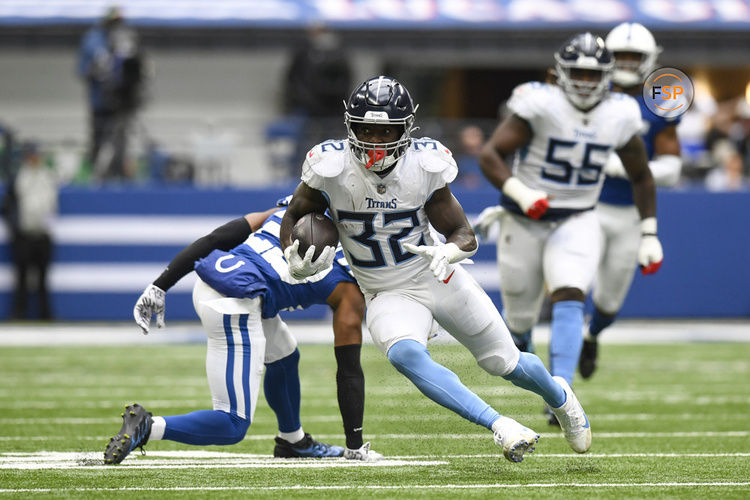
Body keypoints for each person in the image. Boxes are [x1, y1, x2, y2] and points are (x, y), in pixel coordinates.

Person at [279, 75, 592, 464]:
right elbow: (294, 215)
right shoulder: (329, 166)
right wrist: (291, 254)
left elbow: (464, 233)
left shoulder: (424, 165)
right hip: (385, 291)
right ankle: (500, 425)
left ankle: (561, 398)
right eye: (366, 129)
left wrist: (449, 251)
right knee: (404, 355)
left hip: (435, 274)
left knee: (504, 363)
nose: (375, 141)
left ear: (406, 129)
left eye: (385, 131)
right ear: (350, 126)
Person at [103, 200, 382, 464]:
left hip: (218, 282)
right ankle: (149, 427)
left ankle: (292, 441)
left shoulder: (288, 211)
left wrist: (160, 284)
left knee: (284, 356)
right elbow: (349, 371)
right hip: (235, 302)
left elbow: (217, 239)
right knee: (232, 424)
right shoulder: (348, 285)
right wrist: (354, 445)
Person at [477, 34, 662, 423]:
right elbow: (491, 154)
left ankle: (561, 390)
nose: (584, 82)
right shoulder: (539, 103)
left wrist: (649, 232)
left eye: (593, 74)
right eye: (577, 72)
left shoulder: (621, 113)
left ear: (609, 77)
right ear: (559, 73)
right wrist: (520, 191)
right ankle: (530, 355)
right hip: (524, 219)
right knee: (519, 321)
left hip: (578, 217)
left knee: (570, 294)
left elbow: (642, 177)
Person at [576, 24, 683, 379]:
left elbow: (672, 166)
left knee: (608, 303)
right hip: (585, 206)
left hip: (630, 214)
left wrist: (633, 168)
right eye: (620, 55)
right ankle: (562, 372)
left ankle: (592, 336)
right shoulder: (588, 92)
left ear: (650, 60)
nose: (625, 62)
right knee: (571, 285)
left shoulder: (660, 100)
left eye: (633, 57)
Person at [77, 5, 146, 180]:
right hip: (101, 102)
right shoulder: (93, 39)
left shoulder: (126, 39)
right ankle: (95, 174)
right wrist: (100, 67)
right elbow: (84, 69)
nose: (116, 27)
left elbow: (136, 67)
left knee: (121, 141)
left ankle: (119, 172)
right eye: (113, 23)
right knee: (99, 140)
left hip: (123, 103)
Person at [282, 23, 352, 178]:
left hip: (333, 112)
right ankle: (296, 177)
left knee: (332, 148)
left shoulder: (340, 54)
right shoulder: (303, 53)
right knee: (302, 147)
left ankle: (332, 177)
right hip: (308, 109)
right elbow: (294, 81)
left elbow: (345, 82)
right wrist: (303, 102)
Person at [2, 143, 58, 320]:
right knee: (21, 278)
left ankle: (45, 314)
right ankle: (19, 313)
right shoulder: (18, 177)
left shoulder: (47, 176)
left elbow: (51, 205)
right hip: (23, 235)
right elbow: (7, 205)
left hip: (42, 234)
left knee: (42, 279)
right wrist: (15, 227)